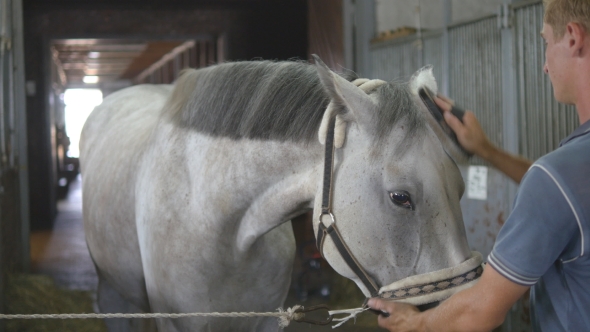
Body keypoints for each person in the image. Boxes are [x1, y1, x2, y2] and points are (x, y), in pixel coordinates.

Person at [368, 0, 590, 330]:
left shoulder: (556, 179)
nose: (544, 65)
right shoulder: (568, 175)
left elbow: (480, 312)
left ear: (572, 37)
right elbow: (567, 196)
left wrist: (415, 323)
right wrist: (485, 149)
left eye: (545, 42)